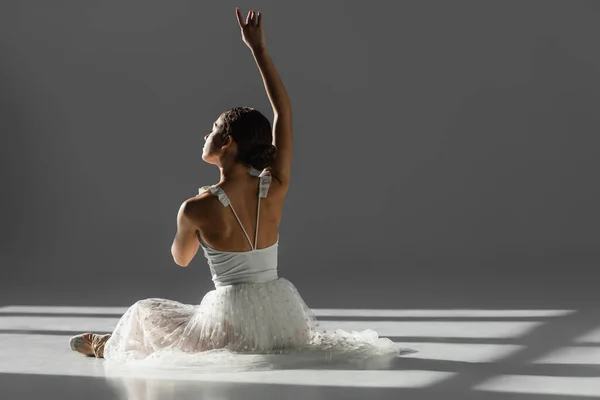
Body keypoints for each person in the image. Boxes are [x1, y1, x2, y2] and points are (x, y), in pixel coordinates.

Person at [69, 8, 415, 371]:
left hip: (229, 320)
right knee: (181, 323)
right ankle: (110, 342)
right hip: (281, 317)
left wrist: (190, 228)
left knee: (144, 312)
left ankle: (108, 344)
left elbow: (181, 258)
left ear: (228, 142)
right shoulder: (275, 186)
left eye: (213, 129)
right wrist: (259, 50)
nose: (206, 135)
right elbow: (284, 113)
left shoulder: (195, 208)